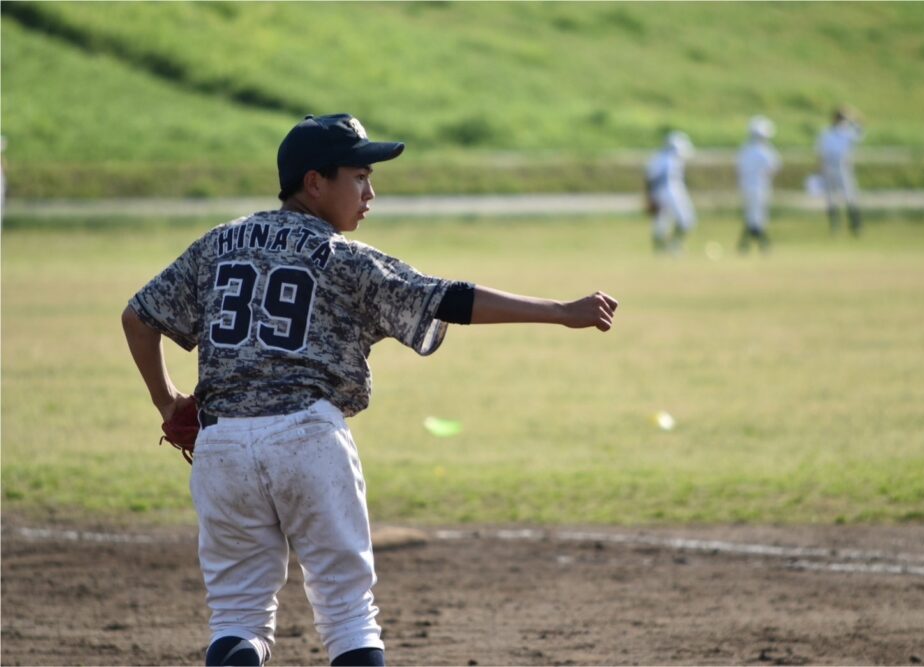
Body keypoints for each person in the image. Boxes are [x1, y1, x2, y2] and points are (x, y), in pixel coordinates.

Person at [121, 113, 618, 667]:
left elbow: (138, 317)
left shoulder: (218, 245)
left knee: (238, 617)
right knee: (348, 615)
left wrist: (168, 403)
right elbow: (446, 298)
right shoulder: (344, 259)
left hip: (222, 447)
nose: (371, 192)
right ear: (314, 182)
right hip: (307, 438)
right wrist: (559, 311)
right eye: (359, 176)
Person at [645, 130, 696, 254]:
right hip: (671, 190)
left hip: (660, 191)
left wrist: (650, 196)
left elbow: (649, 179)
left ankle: (662, 248)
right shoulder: (670, 158)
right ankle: (674, 245)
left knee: (662, 221)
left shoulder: (658, 157)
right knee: (686, 219)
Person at [736, 116, 781, 254]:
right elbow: (774, 168)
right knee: (757, 218)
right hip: (760, 187)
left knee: (752, 216)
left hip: (746, 187)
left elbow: (739, 169)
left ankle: (744, 246)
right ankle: (763, 244)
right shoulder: (765, 151)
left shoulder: (745, 149)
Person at [816, 107, 864, 235]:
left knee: (850, 196)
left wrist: (854, 118)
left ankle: (856, 226)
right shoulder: (826, 133)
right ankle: (834, 227)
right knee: (831, 198)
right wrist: (821, 167)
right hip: (829, 166)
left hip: (843, 166)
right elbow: (821, 152)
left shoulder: (847, 132)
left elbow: (860, 134)